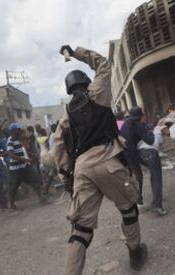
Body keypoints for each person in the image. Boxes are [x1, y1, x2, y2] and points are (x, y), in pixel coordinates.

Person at [54, 45, 147, 274]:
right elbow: (102, 63)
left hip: (82, 169)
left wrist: (66, 175)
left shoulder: (66, 115)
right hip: (108, 160)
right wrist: (74, 52)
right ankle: (135, 253)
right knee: (128, 209)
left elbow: (58, 147)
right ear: (87, 83)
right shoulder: (98, 93)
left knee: (81, 230)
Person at [120, 107, 155, 206]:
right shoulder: (138, 125)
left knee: (130, 176)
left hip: (123, 153)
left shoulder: (126, 123)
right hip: (132, 154)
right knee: (142, 173)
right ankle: (139, 198)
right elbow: (150, 141)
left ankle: (132, 197)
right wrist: (150, 130)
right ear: (140, 116)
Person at [7, 123, 48, 209]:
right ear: (14, 131)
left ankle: (42, 198)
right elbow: (11, 154)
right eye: (18, 130)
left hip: (24, 166)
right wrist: (25, 159)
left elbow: (22, 151)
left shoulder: (18, 139)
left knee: (35, 179)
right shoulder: (10, 140)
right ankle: (11, 204)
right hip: (15, 169)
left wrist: (31, 155)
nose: (20, 131)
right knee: (13, 187)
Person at [137, 123, 167, 216]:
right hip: (151, 153)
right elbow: (161, 141)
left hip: (140, 154)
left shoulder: (143, 136)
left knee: (153, 176)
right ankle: (157, 205)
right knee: (157, 179)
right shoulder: (157, 132)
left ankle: (154, 201)